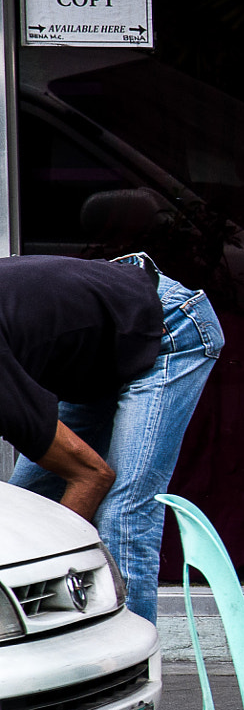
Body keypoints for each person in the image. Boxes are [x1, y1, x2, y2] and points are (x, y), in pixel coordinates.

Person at [1, 252, 222, 624]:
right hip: (98, 350)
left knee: (125, 514)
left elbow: (92, 475)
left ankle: (126, 661)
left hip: (168, 327)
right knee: (26, 504)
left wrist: (44, 572)